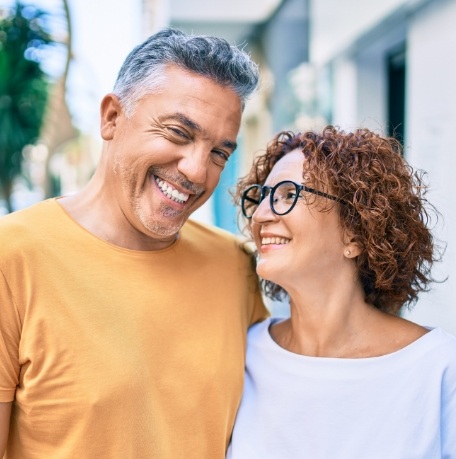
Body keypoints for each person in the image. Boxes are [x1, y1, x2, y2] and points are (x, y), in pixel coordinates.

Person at [0, 28, 268, 458]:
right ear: (111, 118)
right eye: (179, 133)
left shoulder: (236, 265)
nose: (198, 172)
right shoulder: (11, 257)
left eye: (219, 152)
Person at [227, 126, 456, 458]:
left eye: (289, 195)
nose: (261, 215)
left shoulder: (438, 368)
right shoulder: (245, 354)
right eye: (261, 197)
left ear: (355, 233)